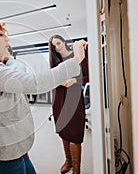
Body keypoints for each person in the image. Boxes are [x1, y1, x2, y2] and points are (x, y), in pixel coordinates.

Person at [0, 19, 86, 174]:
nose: (7, 38)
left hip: (13, 149)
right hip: (0, 157)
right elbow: (35, 83)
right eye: (1, 34)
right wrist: (75, 60)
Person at [48, 35, 89, 174]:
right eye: (54, 46)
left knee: (75, 134)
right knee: (64, 131)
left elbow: (88, 75)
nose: (57, 47)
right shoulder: (54, 60)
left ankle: (77, 169)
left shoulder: (76, 55)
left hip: (74, 99)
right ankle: (68, 161)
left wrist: (75, 81)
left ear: (64, 42)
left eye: (58, 43)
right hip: (59, 98)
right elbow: (52, 76)